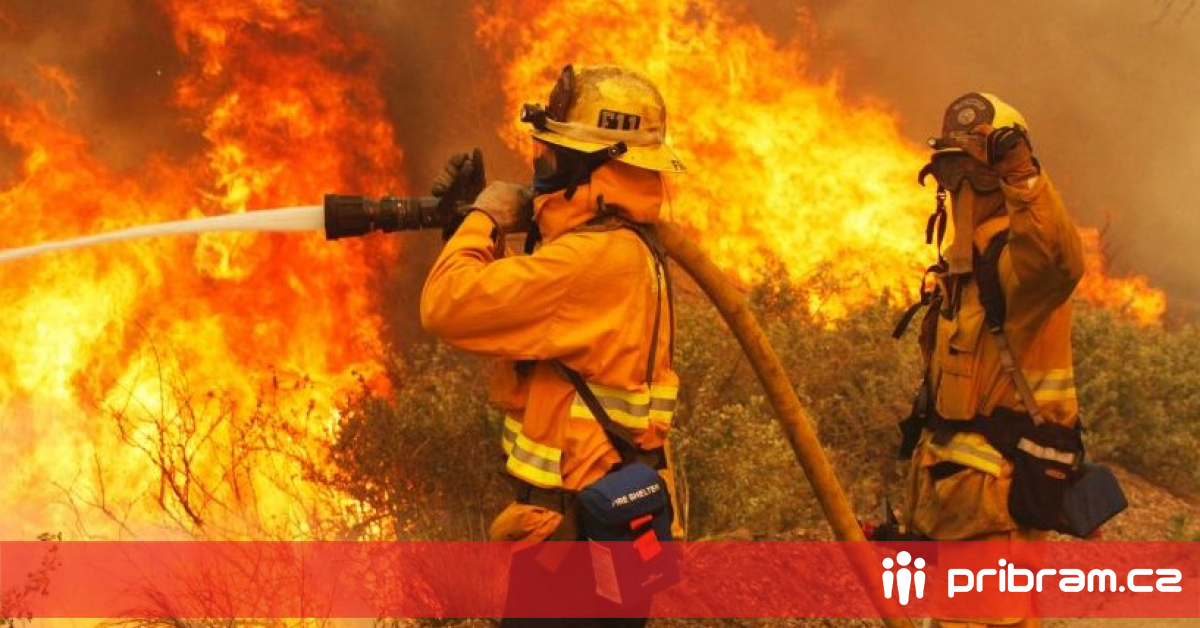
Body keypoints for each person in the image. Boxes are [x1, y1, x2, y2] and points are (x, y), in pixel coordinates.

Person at [419, 64, 686, 627]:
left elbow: (445, 306)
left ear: (600, 165)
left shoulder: (593, 261)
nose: (542, 171)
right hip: (599, 530)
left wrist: (484, 220)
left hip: (575, 553)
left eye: (555, 158)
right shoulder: (622, 247)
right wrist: (478, 233)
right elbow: (534, 311)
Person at [898, 93, 1086, 627]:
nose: (963, 189)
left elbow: (1058, 260)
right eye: (951, 172)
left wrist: (1022, 177)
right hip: (957, 507)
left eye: (978, 174)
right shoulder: (963, 272)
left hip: (996, 507)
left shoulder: (1017, 268)